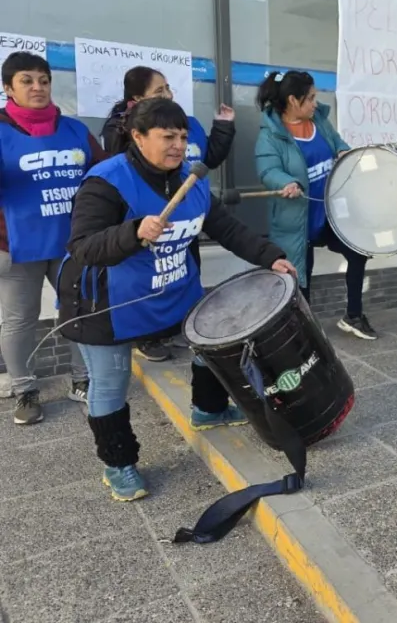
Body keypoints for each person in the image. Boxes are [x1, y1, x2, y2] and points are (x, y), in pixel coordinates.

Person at [57, 97, 294, 501]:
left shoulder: (191, 179)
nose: (178, 146)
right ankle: (118, 463)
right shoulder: (106, 182)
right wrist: (132, 232)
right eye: (167, 137)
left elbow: (227, 229)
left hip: (173, 290)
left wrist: (270, 256)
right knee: (111, 383)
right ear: (137, 137)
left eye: (183, 137)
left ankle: (209, 409)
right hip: (107, 304)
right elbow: (83, 247)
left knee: (210, 344)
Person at [101, 66, 236, 363]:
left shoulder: (188, 126)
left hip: (185, 214)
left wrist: (223, 127)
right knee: (149, 274)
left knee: (184, 272)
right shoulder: (119, 138)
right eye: (159, 90)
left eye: (182, 137)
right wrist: (136, 228)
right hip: (148, 223)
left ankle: (178, 325)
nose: (169, 94)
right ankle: (147, 336)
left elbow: (209, 159)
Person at [0, 51, 106, 424]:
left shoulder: (75, 130)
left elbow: (103, 177)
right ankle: (24, 390)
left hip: (71, 243)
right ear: (8, 88)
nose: (38, 87)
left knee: (79, 311)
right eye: (27, 81)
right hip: (14, 246)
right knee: (19, 320)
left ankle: (82, 380)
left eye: (43, 80)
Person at [254, 70, 376, 340]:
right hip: (297, 220)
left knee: (358, 252)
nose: (314, 103)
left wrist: (343, 151)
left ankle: (353, 316)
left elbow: (337, 141)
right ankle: (305, 331)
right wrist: (285, 181)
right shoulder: (270, 135)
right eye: (309, 98)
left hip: (328, 214)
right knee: (301, 277)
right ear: (292, 100)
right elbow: (268, 170)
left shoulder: (318, 120)